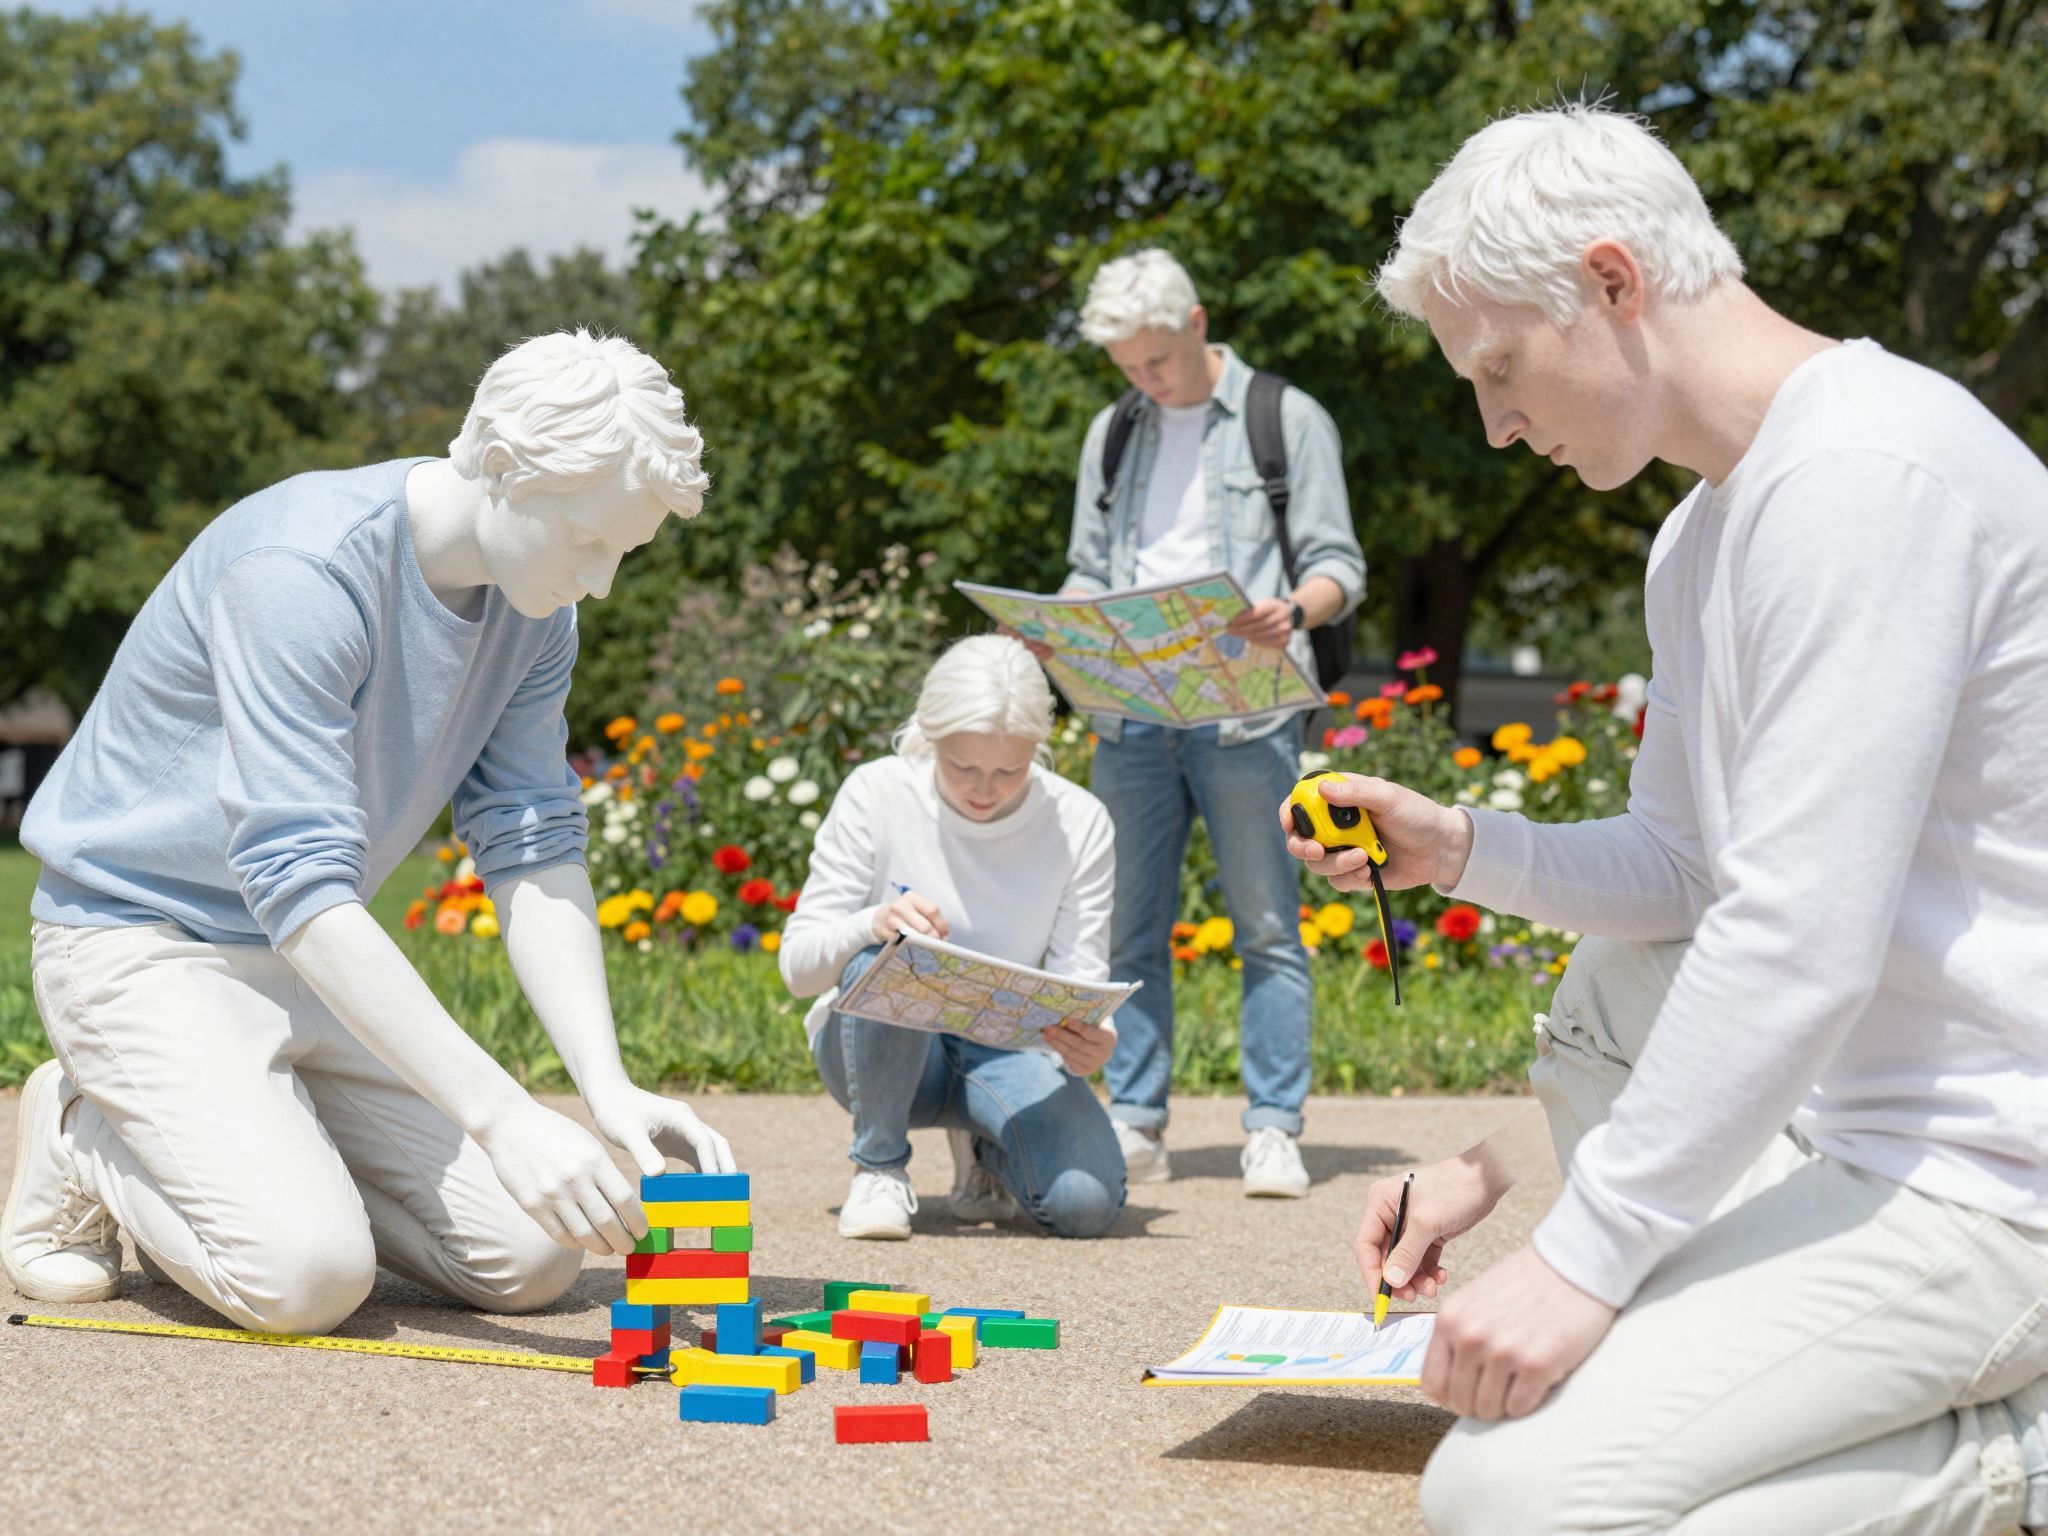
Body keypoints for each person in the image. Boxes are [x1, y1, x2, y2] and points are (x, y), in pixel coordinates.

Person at [1287, 104, 2048, 1534]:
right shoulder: (1708, 527)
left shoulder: (1860, 478)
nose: (1497, 424)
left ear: (1615, 282)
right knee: (1610, 982)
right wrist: (1454, 846)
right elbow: (1688, 869)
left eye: (1501, 368)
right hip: (1867, 1124)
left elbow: (1798, 935)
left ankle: (2016, 1455)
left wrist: (1583, 1257)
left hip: (2000, 1183)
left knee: (1509, 1499)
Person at [3, 330, 736, 1335]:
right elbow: (298, 879)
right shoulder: (299, 571)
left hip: (309, 966)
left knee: (532, 1258)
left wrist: (604, 1087)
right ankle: (88, 1128)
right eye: (586, 541)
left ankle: (255, 1140)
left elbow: (529, 840)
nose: (600, 581)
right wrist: (502, 1115)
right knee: (304, 1282)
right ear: (502, 468)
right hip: (143, 945)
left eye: (623, 550)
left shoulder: (536, 610)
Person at [1059, 248, 1366, 1198]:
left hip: (1250, 713)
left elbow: (1338, 566)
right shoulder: (1115, 433)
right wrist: (1059, 630)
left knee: (1268, 924)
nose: (1142, 382)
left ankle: (1273, 1126)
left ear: (1196, 323)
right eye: (1126, 368)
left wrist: (1296, 611)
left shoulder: (1285, 418)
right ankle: (1138, 1120)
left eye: (1155, 362)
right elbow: (1086, 567)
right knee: (1128, 934)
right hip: (1133, 715)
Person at [779, 635, 1126, 1242]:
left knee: (1086, 1204)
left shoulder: (1079, 821)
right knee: (880, 958)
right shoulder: (878, 791)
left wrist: (1095, 1039)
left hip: (1009, 1052)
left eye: (1009, 770)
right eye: (963, 766)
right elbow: (798, 968)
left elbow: (1082, 979)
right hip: (875, 1049)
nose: (985, 789)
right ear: (930, 736)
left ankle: (985, 1149)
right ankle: (879, 1166)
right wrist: (875, 922)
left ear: (1038, 750)